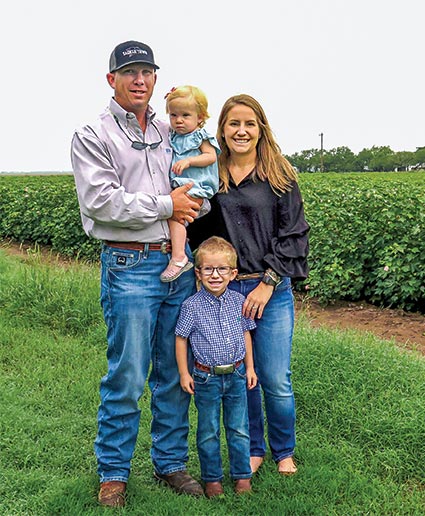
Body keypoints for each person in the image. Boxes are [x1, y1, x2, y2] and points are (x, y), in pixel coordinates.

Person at [70, 40, 206, 508]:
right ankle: (113, 472)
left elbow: (197, 185)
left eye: (146, 71)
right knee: (127, 374)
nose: (139, 80)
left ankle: (169, 463)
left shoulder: (174, 130)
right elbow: (101, 201)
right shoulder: (94, 133)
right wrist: (170, 204)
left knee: (173, 370)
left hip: (177, 262)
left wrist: (196, 201)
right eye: (129, 72)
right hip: (128, 264)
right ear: (112, 80)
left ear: (155, 79)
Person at [187, 93, 310, 476]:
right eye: (233, 123)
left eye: (249, 124)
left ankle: (283, 450)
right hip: (224, 294)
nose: (241, 131)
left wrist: (269, 283)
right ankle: (254, 450)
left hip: (268, 291)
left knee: (275, 378)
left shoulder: (279, 175)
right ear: (221, 130)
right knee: (244, 378)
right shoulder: (212, 175)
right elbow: (198, 233)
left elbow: (294, 235)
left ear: (260, 129)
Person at [175, 236, 258, 497]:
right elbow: (181, 338)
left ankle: (242, 477)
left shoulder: (238, 302)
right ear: (198, 273)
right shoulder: (191, 306)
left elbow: (246, 335)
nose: (215, 275)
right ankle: (212, 479)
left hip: (235, 374)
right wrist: (184, 372)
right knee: (208, 430)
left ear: (233, 273)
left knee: (239, 428)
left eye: (222, 269)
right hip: (205, 377)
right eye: (208, 269)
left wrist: (250, 368)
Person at [160, 85, 220, 283]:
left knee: (174, 216)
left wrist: (189, 161)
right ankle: (178, 246)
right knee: (174, 216)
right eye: (173, 115)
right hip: (183, 187)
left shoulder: (200, 136)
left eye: (185, 115)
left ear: (200, 117)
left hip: (197, 186)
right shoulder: (174, 137)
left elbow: (210, 157)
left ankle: (179, 257)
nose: (178, 120)